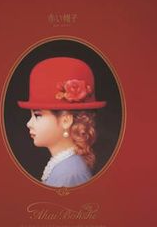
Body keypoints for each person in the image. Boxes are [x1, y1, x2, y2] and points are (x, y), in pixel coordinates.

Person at [18, 57, 106, 187]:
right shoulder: (64, 166)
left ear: (66, 120)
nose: (29, 123)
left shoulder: (69, 174)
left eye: (37, 115)